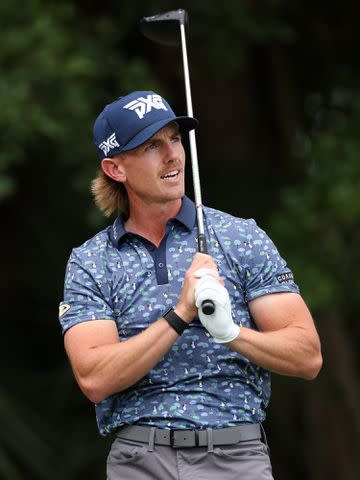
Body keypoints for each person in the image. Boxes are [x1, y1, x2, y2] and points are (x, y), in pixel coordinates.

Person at [59, 90, 322, 480]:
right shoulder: (92, 261)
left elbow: (307, 356)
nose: (172, 155)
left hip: (236, 456)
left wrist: (231, 332)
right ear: (116, 169)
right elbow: (95, 378)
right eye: (152, 145)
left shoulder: (239, 237)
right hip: (140, 459)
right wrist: (180, 314)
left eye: (175, 139)